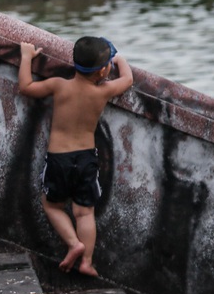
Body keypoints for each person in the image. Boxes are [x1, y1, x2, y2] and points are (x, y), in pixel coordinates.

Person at [18, 36, 134, 277]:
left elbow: (26, 87)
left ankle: (73, 244)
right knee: (84, 213)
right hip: (86, 160)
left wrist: (27, 57)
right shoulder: (103, 91)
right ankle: (87, 262)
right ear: (103, 71)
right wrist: (121, 60)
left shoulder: (59, 85)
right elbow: (128, 79)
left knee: (51, 205)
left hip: (59, 158)